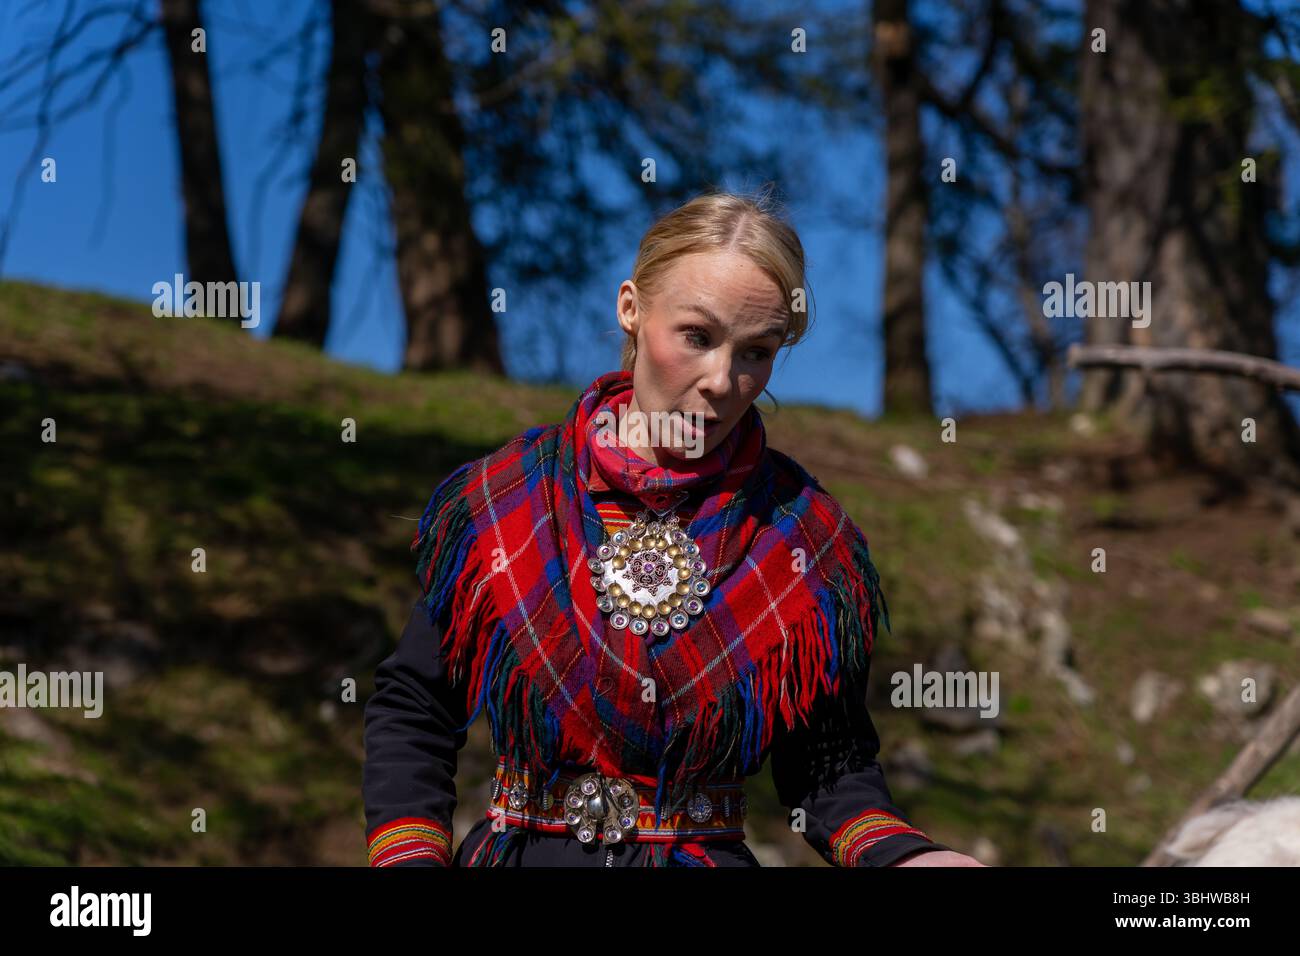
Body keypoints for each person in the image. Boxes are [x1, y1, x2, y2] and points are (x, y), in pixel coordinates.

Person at [362, 188, 985, 867]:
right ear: (631, 308)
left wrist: (905, 856)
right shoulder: (507, 499)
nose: (723, 379)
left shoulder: (805, 537)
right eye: (697, 337)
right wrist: (409, 858)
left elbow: (829, 768)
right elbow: (415, 710)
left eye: (757, 351)